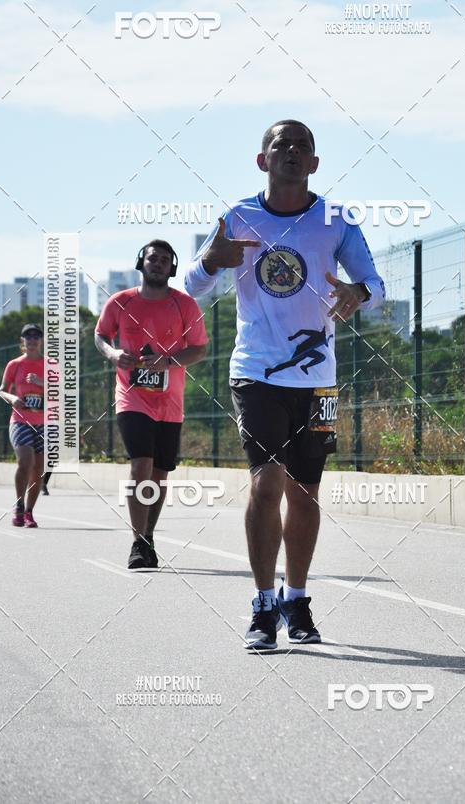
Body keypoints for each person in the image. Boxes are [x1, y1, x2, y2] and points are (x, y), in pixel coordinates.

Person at [185, 119, 385, 650]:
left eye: (303, 147)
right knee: (266, 482)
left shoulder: (336, 219)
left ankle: (297, 599)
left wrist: (357, 293)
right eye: (282, 145)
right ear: (262, 159)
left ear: (315, 163)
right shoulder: (239, 217)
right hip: (257, 371)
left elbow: (375, 283)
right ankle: (263, 604)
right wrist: (212, 259)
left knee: (305, 491)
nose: (292, 152)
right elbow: (192, 285)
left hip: (317, 381)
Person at [95, 240, 208, 569]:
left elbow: (198, 349)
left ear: (171, 267)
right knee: (140, 464)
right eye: (151, 258)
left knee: (159, 473)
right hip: (131, 398)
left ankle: (148, 537)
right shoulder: (121, 302)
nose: (157, 263)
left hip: (170, 402)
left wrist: (169, 360)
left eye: (163, 260)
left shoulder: (185, 305)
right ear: (140, 263)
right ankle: (137, 540)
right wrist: (114, 354)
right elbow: (101, 335)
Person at [0, 323, 46, 528]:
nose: (33, 340)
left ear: (41, 341)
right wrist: (12, 398)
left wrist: (41, 382)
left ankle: (28, 512)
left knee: (38, 469)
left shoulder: (50, 364)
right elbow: (2, 389)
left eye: (36, 336)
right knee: (25, 462)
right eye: (28, 337)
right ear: (23, 342)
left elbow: (62, 392)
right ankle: (18, 505)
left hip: (44, 422)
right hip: (20, 421)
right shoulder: (14, 364)